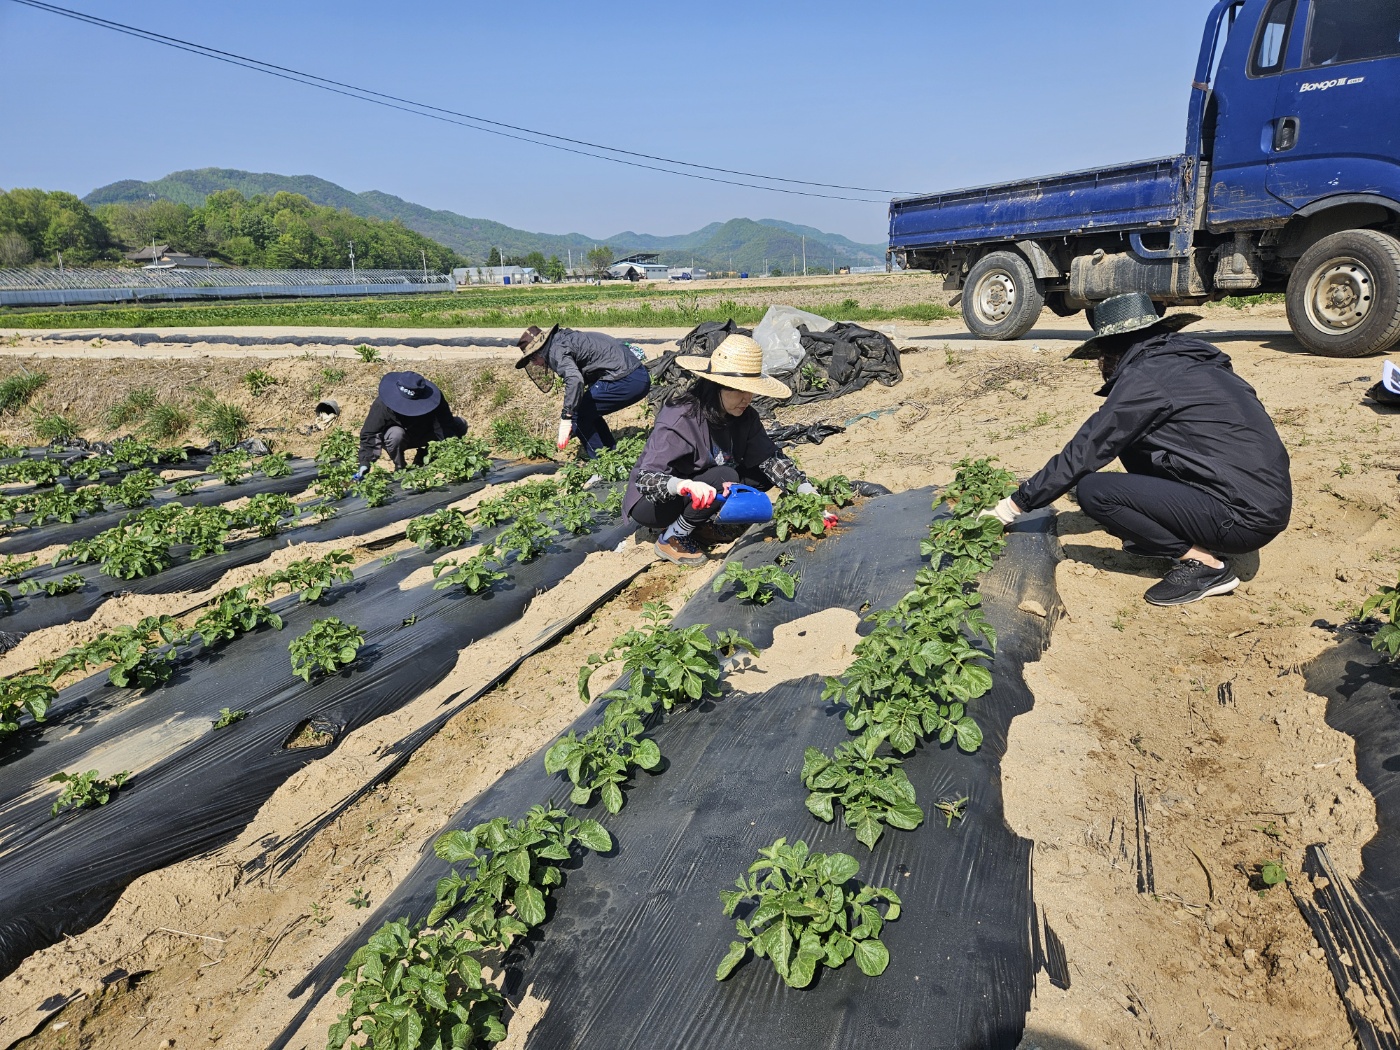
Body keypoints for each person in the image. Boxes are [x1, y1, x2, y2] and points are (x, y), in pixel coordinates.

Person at [983, 292, 1292, 606]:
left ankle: (1205, 566)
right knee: (1131, 442)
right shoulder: (1185, 361)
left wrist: (1012, 507)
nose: (1101, 365)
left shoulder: (1147, 376)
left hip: (1242, 520)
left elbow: (1087, 448)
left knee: (1094, 491)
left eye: (1101, 355)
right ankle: (1165, 534)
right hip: (1262, 500)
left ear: (1113, 348)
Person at [623, 333, 831, 566]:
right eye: (739, 390)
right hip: (655, 503)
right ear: (716, 387)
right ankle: (673, 536)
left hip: (702, 486)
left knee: (763, 474)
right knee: (724, 476)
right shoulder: (681, 417)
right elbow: (646, 479)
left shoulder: (745, 417)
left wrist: (807, 493)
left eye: (750, 390)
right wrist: (683, 486)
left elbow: (772, 459)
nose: (747, 398)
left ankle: (700, 523)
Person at [515, 324, 652, 458]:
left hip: (627, 378)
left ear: (539, 351)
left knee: (577, 415)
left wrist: (567, 418)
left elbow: (575, 380)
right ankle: (612, 457)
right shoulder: (562, 339)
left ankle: (600, 464)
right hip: (637, 374)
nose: (535, 364)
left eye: (532, 358)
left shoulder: (556, 351)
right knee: (588, 412)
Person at [354, 371, 468, 478]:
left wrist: (454, 455)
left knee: (459, 424)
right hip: (398, 440)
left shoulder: (434, 400)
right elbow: (371, 433)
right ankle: (400, 468)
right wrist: (365, 463)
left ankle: (425, 456)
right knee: (395, 434)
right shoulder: (382, 404)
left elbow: (445, 426)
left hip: (424, 433)